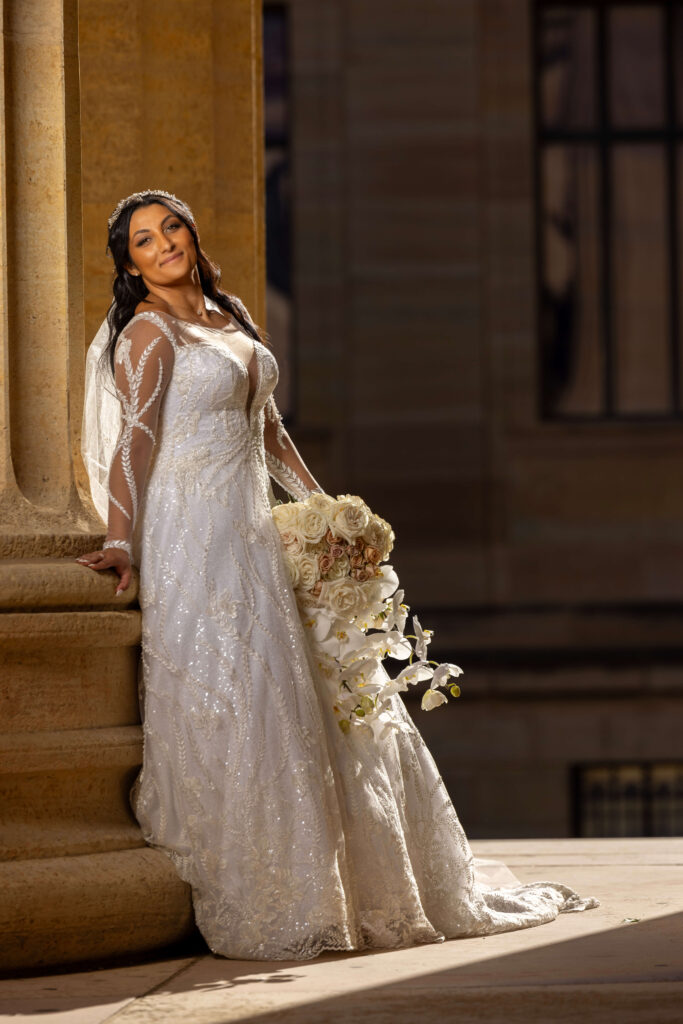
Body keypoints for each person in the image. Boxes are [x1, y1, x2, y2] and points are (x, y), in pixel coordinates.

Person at [77, 190, 598, 961]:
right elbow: (134, 443)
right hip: (196, 529)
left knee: (300, 688)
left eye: (172, 228)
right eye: (144, 241)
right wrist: (122, 539)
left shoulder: (229, 314)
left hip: (253, 524)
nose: (164, 245)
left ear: (191, 232)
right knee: (240, 687)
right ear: (130, 265)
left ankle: (341, 883)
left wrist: (331, 515)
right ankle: (270, 884)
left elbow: (272, 432)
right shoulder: (150, 334)